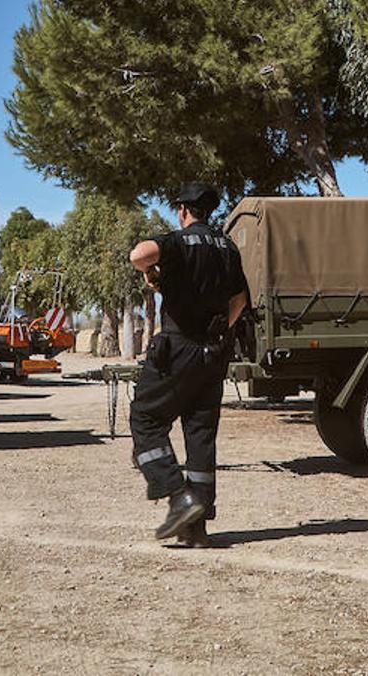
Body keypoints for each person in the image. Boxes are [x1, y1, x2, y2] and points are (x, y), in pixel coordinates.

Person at [128, 182, 248, 547]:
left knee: (145, 419)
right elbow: (239, 299)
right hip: (213, 352)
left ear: (182, 210)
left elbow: (139, 254)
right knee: (200, 436)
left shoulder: (179, 242)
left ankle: (178, 496)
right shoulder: (227, 247)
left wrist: (148, 268)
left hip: (177, 348)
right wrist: (217, 329)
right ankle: (195, 528)